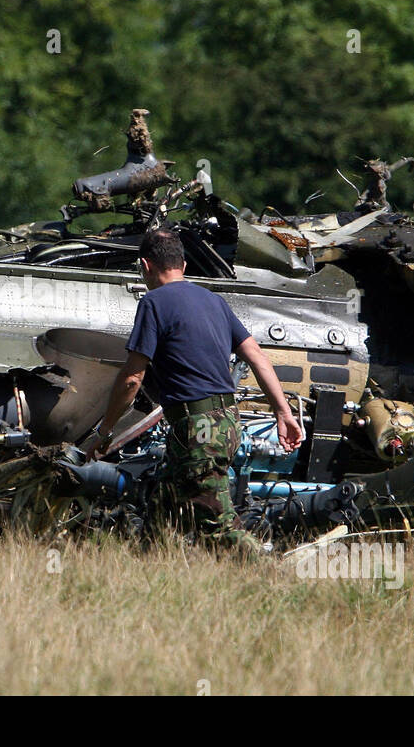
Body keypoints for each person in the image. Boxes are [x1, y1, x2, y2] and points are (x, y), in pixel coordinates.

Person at [88, 227, 304, 555]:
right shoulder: (214, 301)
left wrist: (105, 431)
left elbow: (133, 379)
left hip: (199, 429)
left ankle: (273, 571)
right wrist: (283, 413)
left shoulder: (153, 302)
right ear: (184, 266)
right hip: (227, 423)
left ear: (144, 266)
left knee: (216, 525)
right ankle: (149, 573)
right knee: (163, 508)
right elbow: (257, 357)